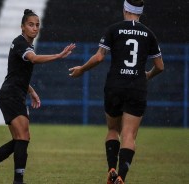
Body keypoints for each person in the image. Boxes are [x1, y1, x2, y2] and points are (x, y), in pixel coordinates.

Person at [0, 9, 76, 184]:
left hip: (14, 94)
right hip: (11, 95)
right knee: (23, 137)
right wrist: (58, 55)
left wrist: (32, 92)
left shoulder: (26, 45)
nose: (35, 28)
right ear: (22, 27)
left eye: (37, 25)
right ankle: (17, 181)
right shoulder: (21, 43)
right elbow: (33, 59)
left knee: (20, 140)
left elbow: (17, 74)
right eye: (30, 24)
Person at [69, 0, 164, 183]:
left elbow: (98, 57)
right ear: (140, 12)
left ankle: (111, 167)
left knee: (113, 129)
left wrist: (81, 69)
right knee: (129, 134)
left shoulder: (114, 29)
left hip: (115, 85)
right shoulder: (149, 34)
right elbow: (160, 66)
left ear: (125, 9)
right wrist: (147, 75)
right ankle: (121, 176)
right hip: (137, 87)